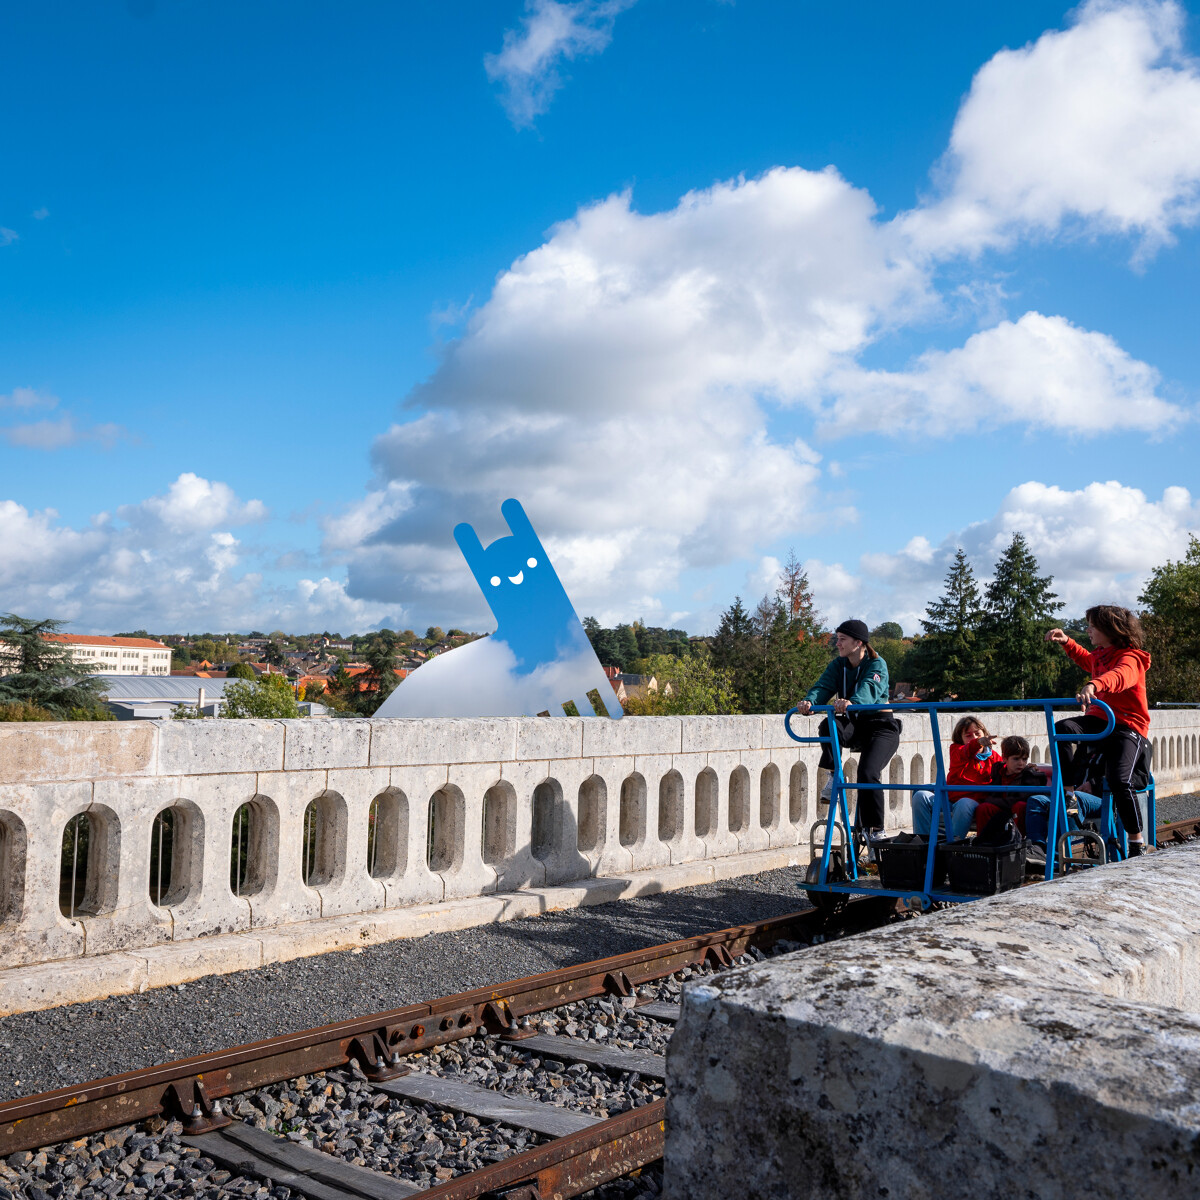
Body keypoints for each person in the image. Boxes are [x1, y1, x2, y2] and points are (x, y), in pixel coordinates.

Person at [1045, 605, 1152, 856]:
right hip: (1099, 719)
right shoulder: (1100, 655)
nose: (1088, 630)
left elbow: (1119, 676)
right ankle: (1069, 792)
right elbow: (1086, 659)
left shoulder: (1131, 658)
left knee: (1119, 780)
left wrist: (1094, 684)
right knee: (1063, 728)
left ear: (1109, 629)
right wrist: (1066, 642)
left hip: (1127, 725)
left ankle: (1137, 841)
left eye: (1092, 626)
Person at [795, 619, 899, 849]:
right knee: (827, 727)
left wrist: (853, 702)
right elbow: (823, 687)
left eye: (842, 639)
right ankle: (835, 776)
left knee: (867, 772)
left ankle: (876, 831)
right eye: (837, 638)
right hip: (856, 722)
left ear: (858, 642)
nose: (837, 643)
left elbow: (870, 689)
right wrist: (810, 702)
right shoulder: (838, 665)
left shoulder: (876, 664)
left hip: (881, 726)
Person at [909, 716, 999, 841]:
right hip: (950, 799)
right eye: (968, 735)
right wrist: (977, 742)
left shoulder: (994, 758)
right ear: (960, 739)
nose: (974, 737)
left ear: (984, 734)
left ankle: (952, 845)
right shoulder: (957, 750)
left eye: (977, 734)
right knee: (920, 796)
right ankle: (923, 841)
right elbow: (966, 752)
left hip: (974, 801)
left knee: (964, 803)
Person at [974, 735, 1049, 842]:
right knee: (984, 808)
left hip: (1018, 810)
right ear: (1004, 758)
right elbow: (992, 792)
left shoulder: (1030, 774)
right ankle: (983, 841)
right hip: (1002, 806)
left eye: (1024, 759)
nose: (1021, 763)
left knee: (1020, 806)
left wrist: (992, 800)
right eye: (1016, 759)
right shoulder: (998, 771)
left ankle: (1016, 841)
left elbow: (1021, 799)